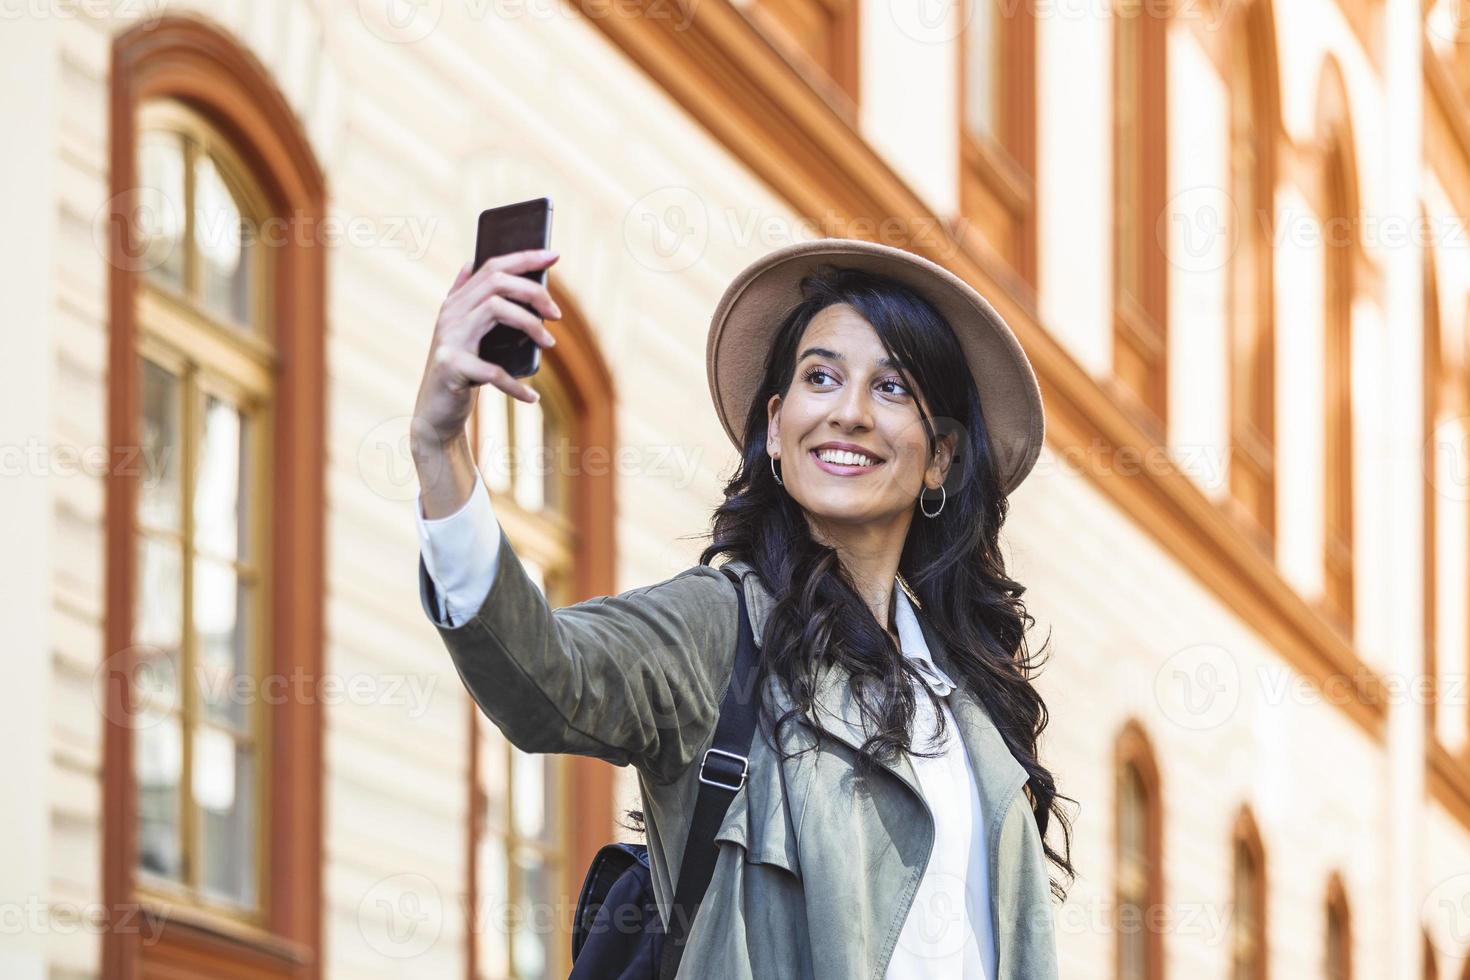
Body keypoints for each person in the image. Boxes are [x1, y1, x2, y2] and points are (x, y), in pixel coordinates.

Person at [410, 237, 1073, 979]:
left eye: (891, 388)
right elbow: (539, 677)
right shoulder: (719, 625)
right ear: (775, 426)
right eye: (821, 377)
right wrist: (440, 448)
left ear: (941, 456)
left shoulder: (971, 699)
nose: (849, 412)